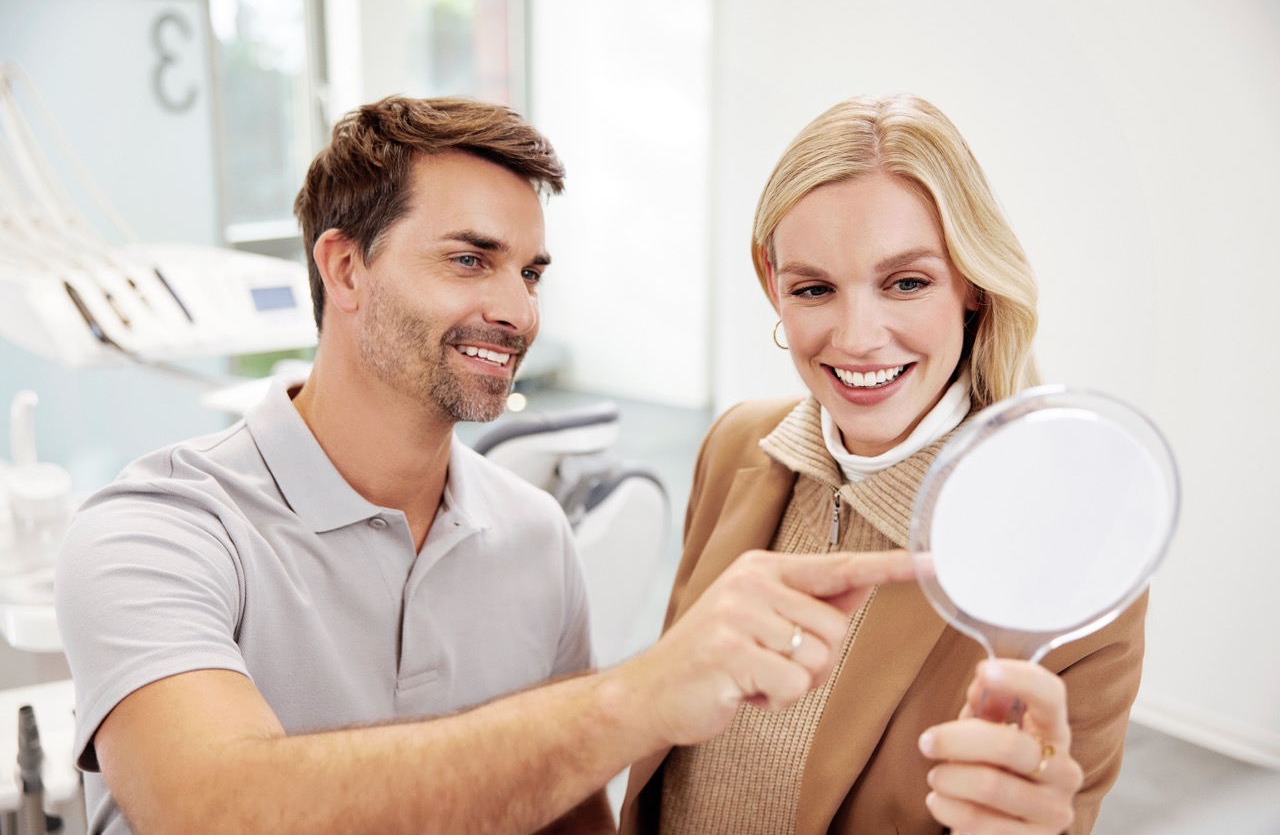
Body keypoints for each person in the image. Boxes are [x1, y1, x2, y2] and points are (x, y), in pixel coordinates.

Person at [53, 95, 923, 834]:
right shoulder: (157, 532)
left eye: (531, 272)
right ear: (345, 267)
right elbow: (212, 807)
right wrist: (637, 697)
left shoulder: (534, 536)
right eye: (470, 260)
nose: (514, 309)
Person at [619, 94, 1147, 834]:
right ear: (774, 284)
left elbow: (1056, 806)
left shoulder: (1073, 553)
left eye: (907, 282)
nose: (858, 336)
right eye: (813, 288)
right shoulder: (737, 445)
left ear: (971, 284)